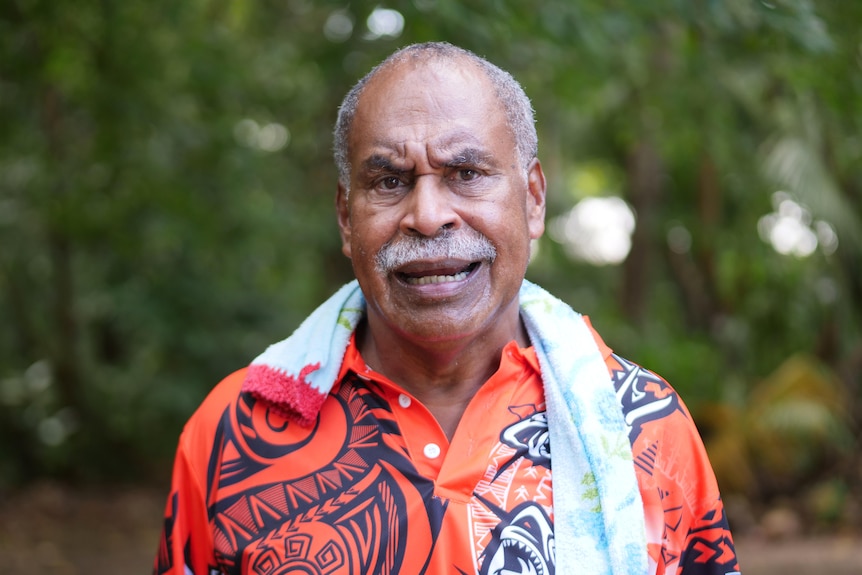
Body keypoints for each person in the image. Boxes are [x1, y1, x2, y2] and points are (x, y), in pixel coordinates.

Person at [153, 42, 741, 575]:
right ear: (345, 217)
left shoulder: (647, 428)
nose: (428, 215)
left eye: (466, 173)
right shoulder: (233, 432)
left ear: (533, 200)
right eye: (388, 181)